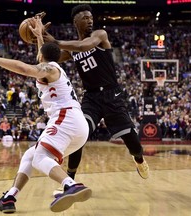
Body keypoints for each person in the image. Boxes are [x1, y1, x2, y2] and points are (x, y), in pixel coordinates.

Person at [0, 16, 91, 213]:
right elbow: (42, 57)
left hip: (65, 119)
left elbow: (24, 68)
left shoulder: (49, 68)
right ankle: (10, 197)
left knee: (39, 158)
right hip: (77, 126)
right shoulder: (53, 67)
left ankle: (71, 185)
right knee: (30, 155)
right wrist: (38, 37)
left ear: (42, 58)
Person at [43, 4, 149, 187]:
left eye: (91, 17)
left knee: (134, 145)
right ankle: (70, 182)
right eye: (85, 18)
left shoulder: (99, 35)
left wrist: (56, 41)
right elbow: (50, 58)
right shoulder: (71, 50)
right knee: (79, 134)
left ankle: (139, 159)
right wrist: (38, 35)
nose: (90, 20)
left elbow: (85, 45)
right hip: (91, 98)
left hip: (112, 95)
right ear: (75, 22)